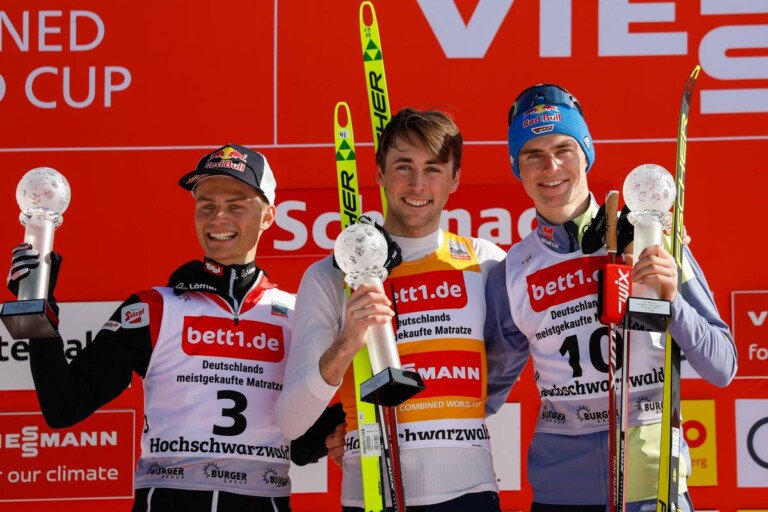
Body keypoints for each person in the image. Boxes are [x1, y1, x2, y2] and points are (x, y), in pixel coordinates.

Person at [7, 144, 343, 512]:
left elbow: (298, 440)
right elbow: (64, 405)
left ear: (268, 216)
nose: (218, 218)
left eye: (235, 206)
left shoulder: (296, 314)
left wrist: (344, 426)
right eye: (206, 206)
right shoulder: (152, 308)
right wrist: (38, 307)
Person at [484, 84, 738, 512]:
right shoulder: (512, 272)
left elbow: (722, 366)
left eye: (564, 149)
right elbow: (482, 395)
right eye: (533, 154)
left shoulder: (652, 238)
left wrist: (672, 304)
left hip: (652, 487)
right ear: (517, 168)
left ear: (586, 153)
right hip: (561, 495)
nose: (551, 166)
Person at [275, 108, 507, 511]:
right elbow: (291, 422)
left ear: (454, 179)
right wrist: (347, 343)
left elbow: (522, 354)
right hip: (370, 494)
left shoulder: (485, 262)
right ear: (380, 173)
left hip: (469, 492)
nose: (418, 184)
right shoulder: (332, 274)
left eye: (433, 168)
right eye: (404, 166)